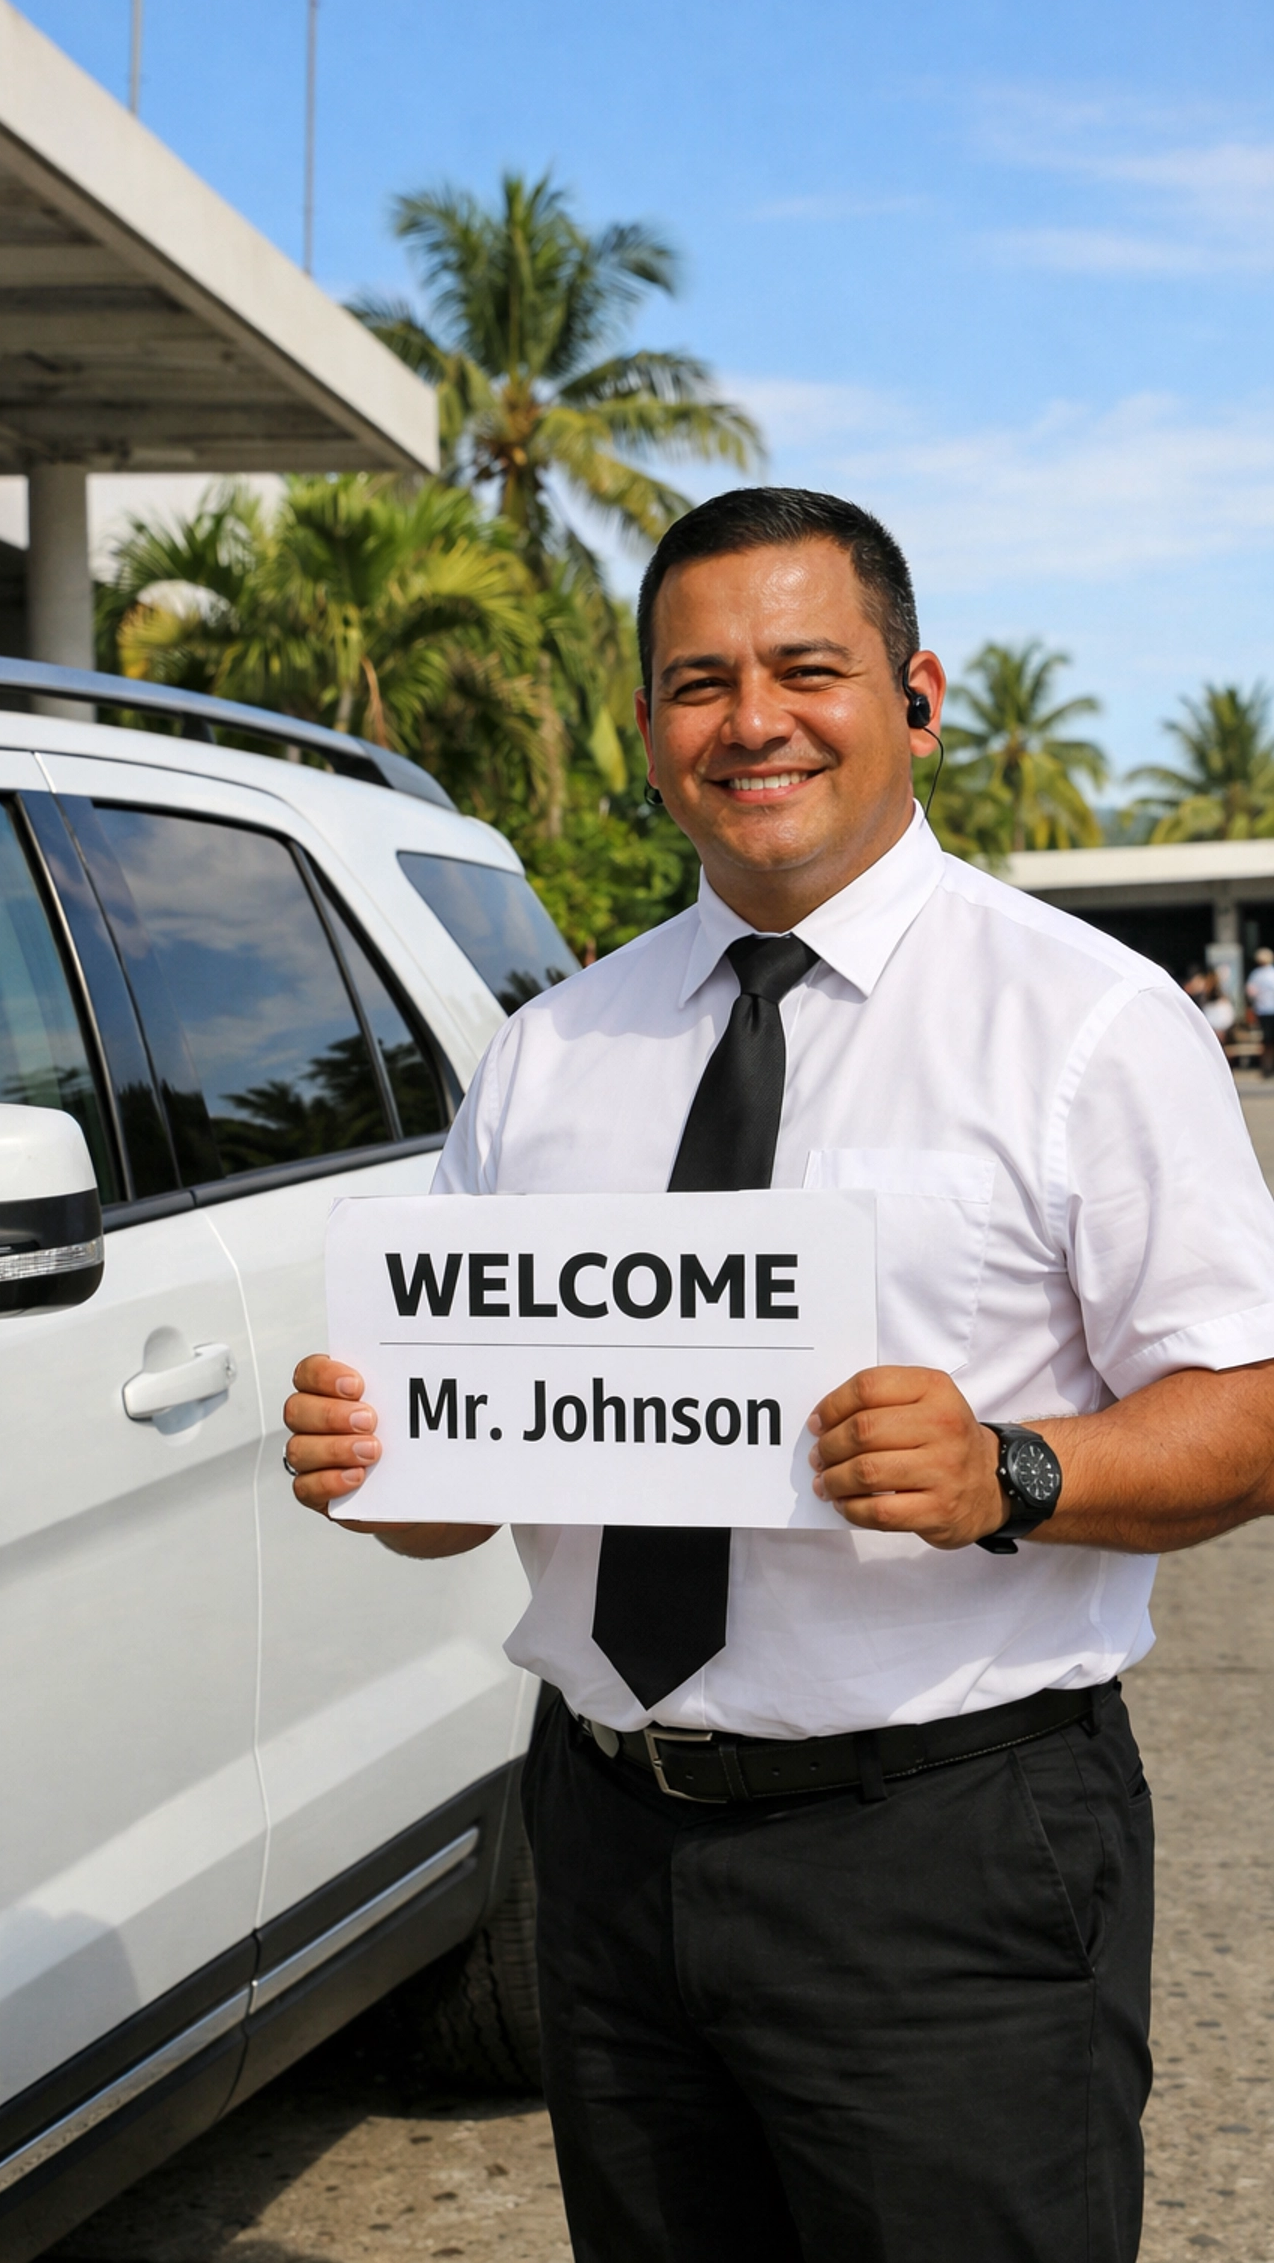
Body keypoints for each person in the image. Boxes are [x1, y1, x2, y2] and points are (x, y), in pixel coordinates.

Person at [284, 487, 1274, 2263]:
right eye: (696, 680)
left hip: (945, 1855)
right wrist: (384, 1455)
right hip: (604, 1837)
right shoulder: (549, 1052)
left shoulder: (1087, 1023)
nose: (751, 719)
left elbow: (1252, 1404)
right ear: (651, 730)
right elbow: (450, 1508)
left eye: (805, 667)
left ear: (918, 694)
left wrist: (1013, 1472)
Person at [1247, 945, 1274, 1076]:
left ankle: (1266, 1067)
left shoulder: (1256, 975)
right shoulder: (1271, 973)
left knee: (1266, 1040)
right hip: (1269, 1009)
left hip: (1263, 1010)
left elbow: (1251, 992)